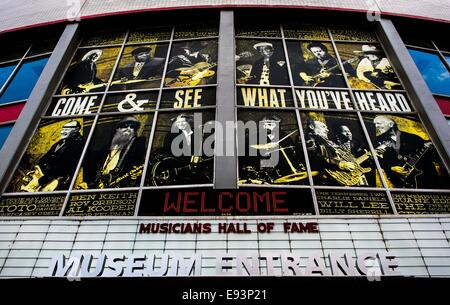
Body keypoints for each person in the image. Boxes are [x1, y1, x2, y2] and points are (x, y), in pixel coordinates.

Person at [373, 115, 446, 188]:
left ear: (391, 124)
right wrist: (391, 168)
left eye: (379, 123)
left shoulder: (413, 137)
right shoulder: (378, 141)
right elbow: (378, 161)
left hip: (426, 178)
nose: (376, 126)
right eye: (375, 124)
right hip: (400, 181)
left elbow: (432, 157)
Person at [81, 116, 146, 189]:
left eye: (132, 127)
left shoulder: (135, 150)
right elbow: (92, 170)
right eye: (125, 126)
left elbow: (139, 168)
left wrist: (137, 175)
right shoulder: (104, 150)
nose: (128, 129)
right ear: (117, 129)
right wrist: (86, 183)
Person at [20, 120, 85, 192]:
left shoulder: (78, 143)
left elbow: (65, 167)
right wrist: (35, 170)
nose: (62, 131)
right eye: (63, 129)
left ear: (76, 130)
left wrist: (42, 181)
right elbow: (46, 157)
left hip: (56, 180)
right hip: (45, 176)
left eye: (66, 129)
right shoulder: (60, 142)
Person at [150, 113, 210, 185]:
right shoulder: (171, 135)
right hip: (179, 166)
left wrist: (199, 157)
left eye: (183, 122)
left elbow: (203, 149)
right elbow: (169, 151)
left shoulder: (196, 133)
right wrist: (190, 158)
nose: (181, 124)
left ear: (188, 122)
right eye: (178, 122)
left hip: (195, 168)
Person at [305, 119, 359, 186]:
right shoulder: (309, 138)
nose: (327, 130)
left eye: (327, 127)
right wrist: (339, 164)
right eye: (323, 127)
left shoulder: (323, 140)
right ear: (311, 127)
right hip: (323, 179)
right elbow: (314, 156)